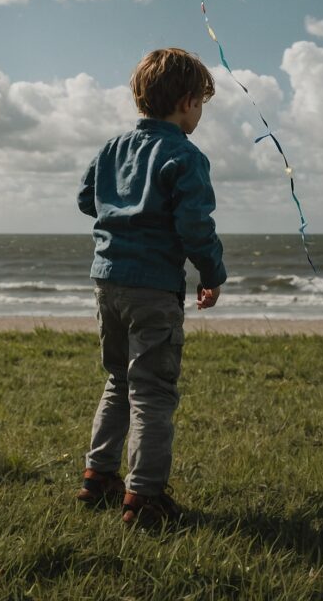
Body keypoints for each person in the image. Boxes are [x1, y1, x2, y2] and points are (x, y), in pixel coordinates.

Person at [75, 47, 227, 527]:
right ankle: (145, 498)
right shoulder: (185, 155)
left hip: (107, 282)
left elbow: (86, 199)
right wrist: (212, 273)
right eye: (200, 103)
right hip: (154, 290)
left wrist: (120, 213)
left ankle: (98, 476)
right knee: (153, 393)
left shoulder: (112, 148)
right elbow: (195, 225)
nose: (199, 112)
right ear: (185, 102)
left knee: (119, 380)